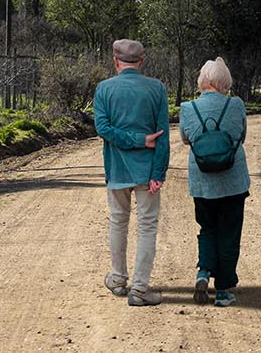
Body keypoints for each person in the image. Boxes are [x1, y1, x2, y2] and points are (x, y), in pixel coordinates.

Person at [92, 38, 170, 306]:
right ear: (142, 61)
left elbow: (103, 129)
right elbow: (163, 136)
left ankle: (117, 278)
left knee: (118, 221)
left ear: (115, 61)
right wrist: (158, 172)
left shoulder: (103, 89)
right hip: (148, 172)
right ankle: (139, 289)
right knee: (147, 226)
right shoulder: (156, 88)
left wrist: (133, 139)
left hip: (116, 169)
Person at [178, 57, 250, 307]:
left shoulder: (187, 108)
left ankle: (203, 271)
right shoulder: (236, 105)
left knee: (207, 228)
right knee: (229, 233)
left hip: (202, 182)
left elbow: (185, 139)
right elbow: (241, 136)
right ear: (224, 82)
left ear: (202, 80)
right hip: (233, 181)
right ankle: (223, 291)